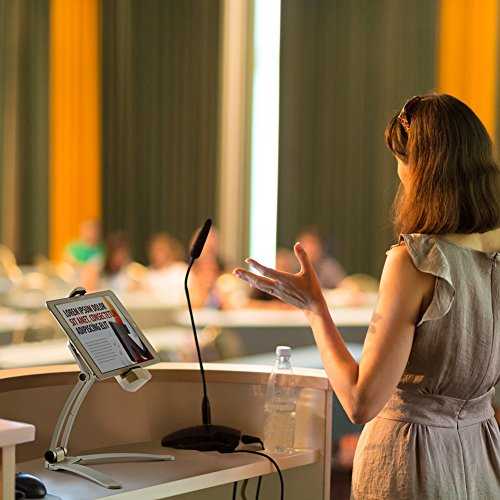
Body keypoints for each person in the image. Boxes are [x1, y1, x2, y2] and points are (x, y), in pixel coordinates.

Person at [234, 94, 500, 498]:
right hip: (482, 457)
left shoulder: (416, 261)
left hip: (413, 460)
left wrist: (315, 308)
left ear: (421, 170)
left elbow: (361, 401)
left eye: (401, 161)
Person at [145, 233, 187, 304]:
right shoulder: (147, 274)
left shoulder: (181, 270)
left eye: (160, 249)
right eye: (154, 250)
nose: (157, 253)